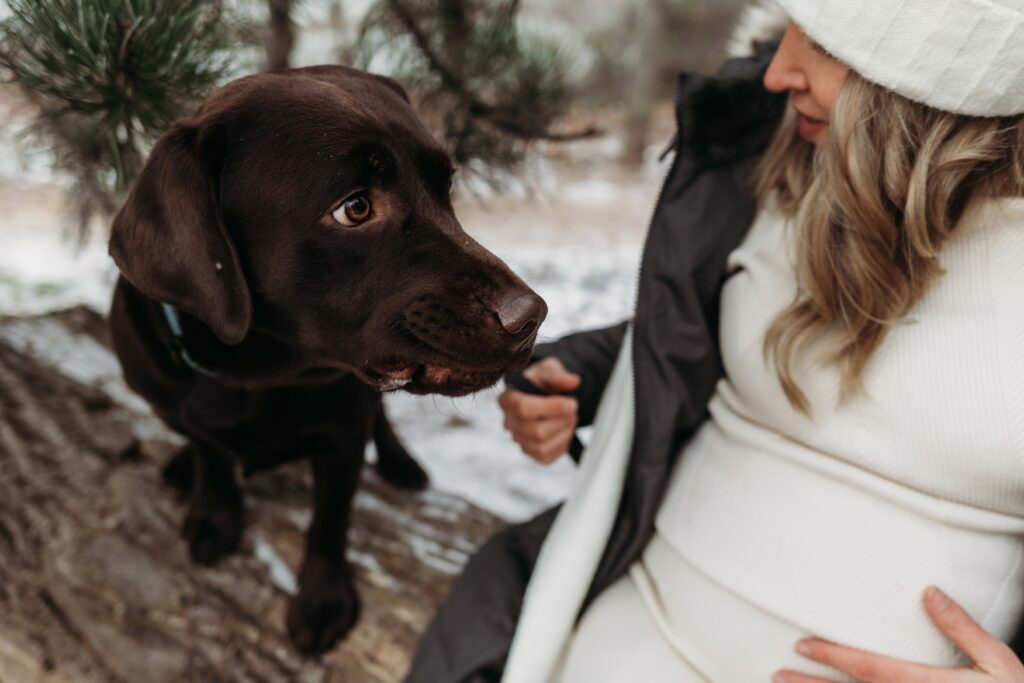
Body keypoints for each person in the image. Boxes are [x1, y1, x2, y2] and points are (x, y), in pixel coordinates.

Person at [404, 1, 1024, 681]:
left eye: (821, 39)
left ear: (950, 64)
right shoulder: (767, 152)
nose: (778, 71)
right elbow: (697, 328)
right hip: (616, 640)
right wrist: (579, 372)